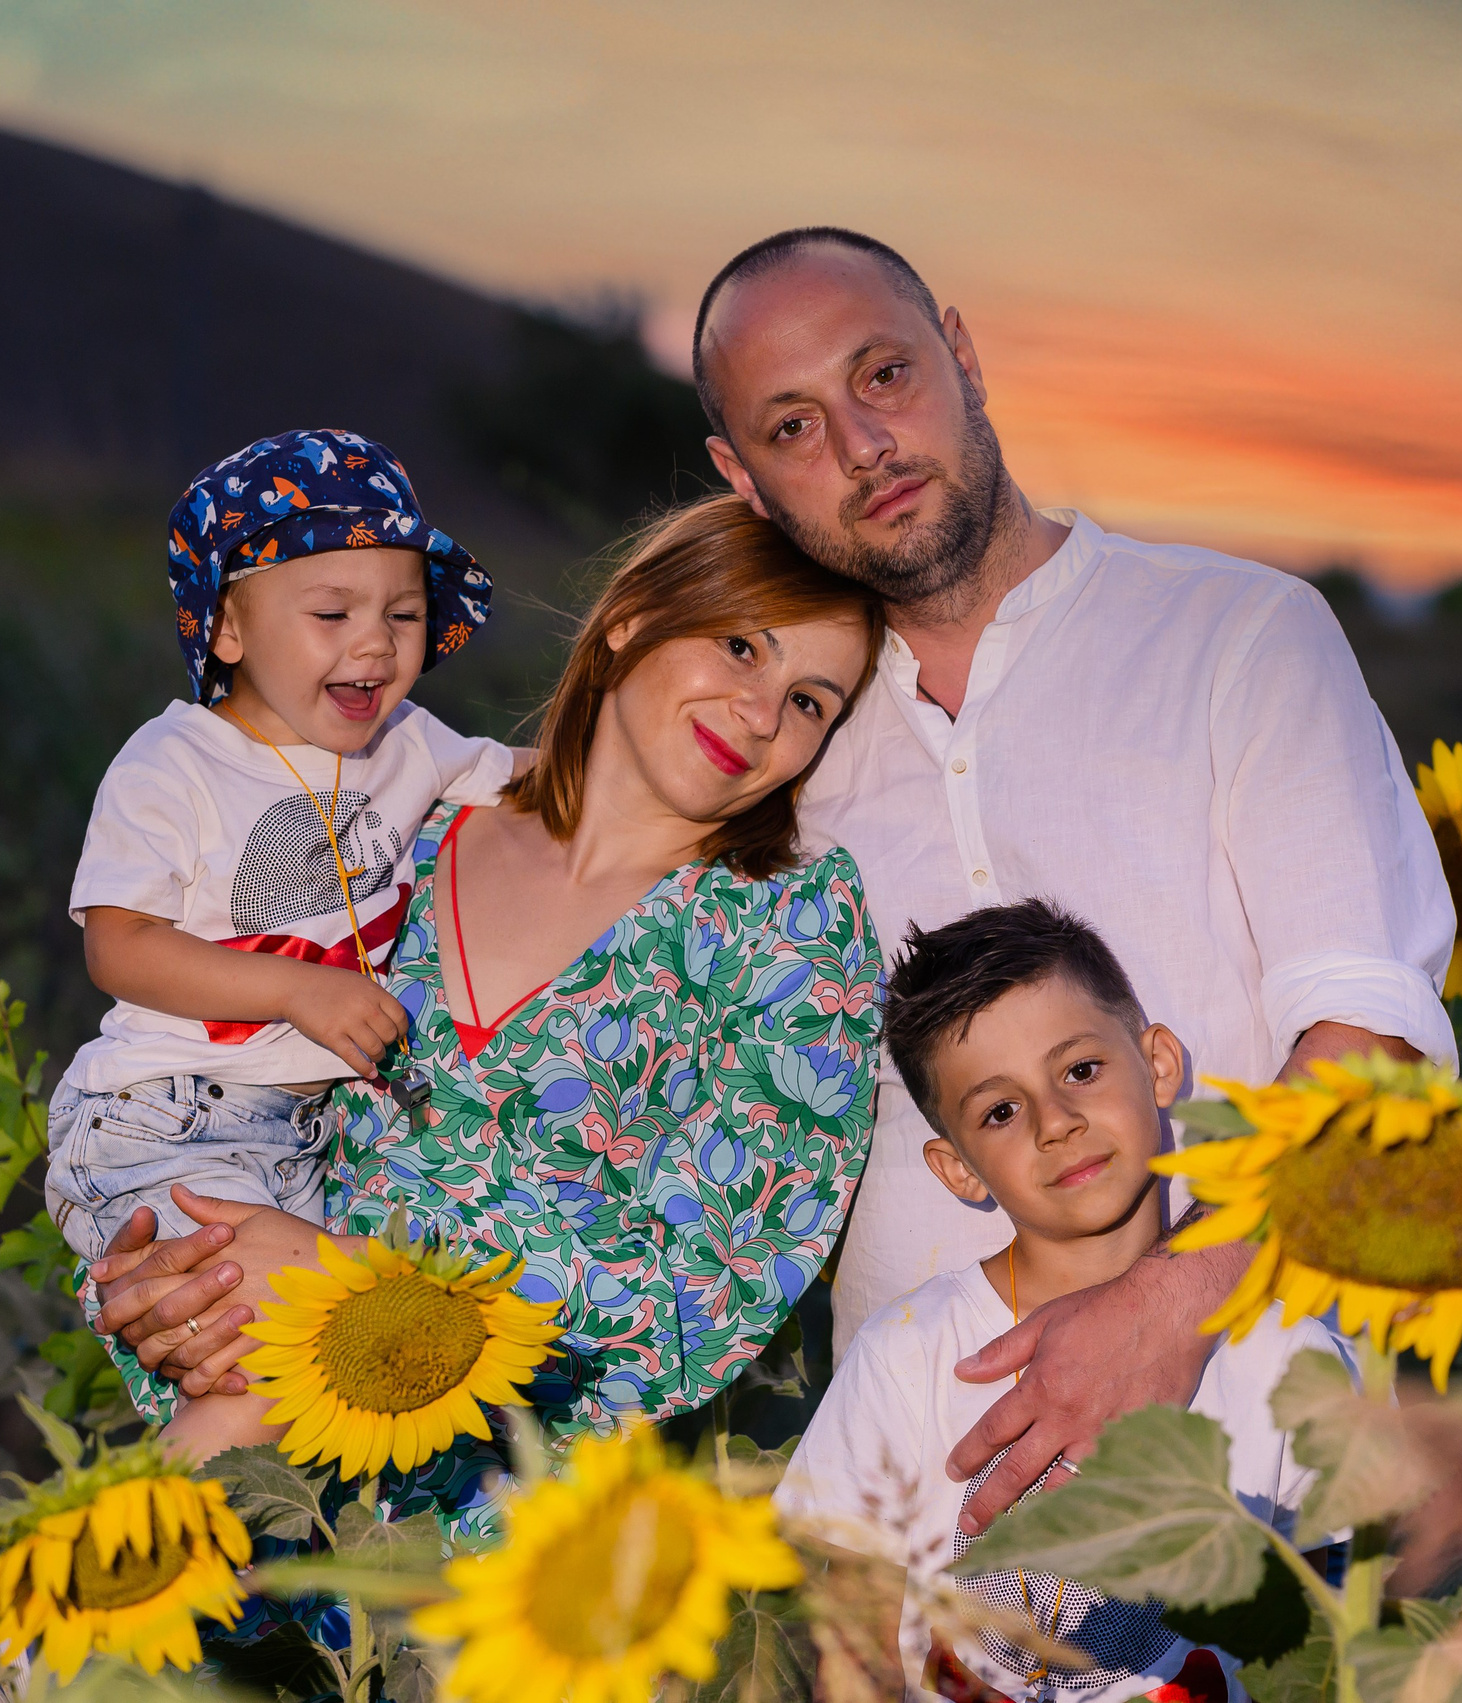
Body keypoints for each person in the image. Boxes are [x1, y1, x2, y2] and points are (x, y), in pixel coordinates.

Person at [692, 228, 1456, 1530]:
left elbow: (1368, 1038)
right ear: (743, 477)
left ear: (963, 354)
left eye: (883, 374)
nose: (863, 444)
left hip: (1244, 1452)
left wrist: (1163, 1307)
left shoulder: (1240, 634)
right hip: (917, 1489)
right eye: (794, 424)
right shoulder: (779, 743)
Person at [82, 496, 888, 1490]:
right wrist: (171, 1282)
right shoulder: (391, 827)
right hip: (264, 1462)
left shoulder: (789, 930)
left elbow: (709, 1290)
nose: (762, 713)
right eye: (738, 647)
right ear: (631, 618)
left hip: (502, 1550)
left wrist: (348, 1284)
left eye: (811, 699)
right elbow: (209, 1090)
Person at [47, 426, 501, 1460]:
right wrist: (297, 992)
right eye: (331, 611)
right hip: (158, 1118)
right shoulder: (176, 761)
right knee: (355, 1312)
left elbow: (537, 786)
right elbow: (118, 946)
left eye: (403, 612)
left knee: (274, 1384)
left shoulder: (412, 744)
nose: (376, 643)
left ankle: (139, 1575)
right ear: (231, 630)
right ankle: (91, 1582)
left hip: (292, 1141)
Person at [777, 902, 1348, 1703]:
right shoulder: (909, 1355)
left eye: (1080, 1069)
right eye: (1001, 1111)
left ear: (1157, 1063)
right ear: (959, 1168)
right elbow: (849, 1635)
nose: (1057, 1123)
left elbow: (1332, 1641)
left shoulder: (1290, 1359)